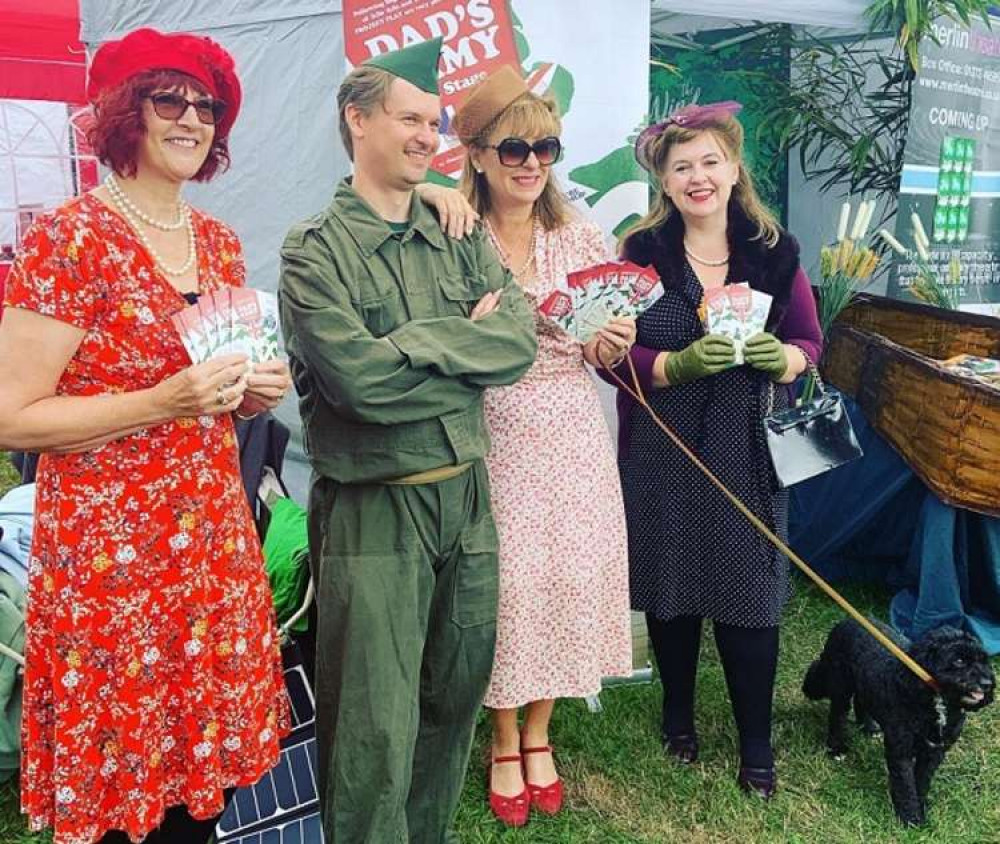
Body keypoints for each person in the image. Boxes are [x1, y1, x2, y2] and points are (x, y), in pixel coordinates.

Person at [0, 28, 292, 844]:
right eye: (170, 99)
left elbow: (215, 387)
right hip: (109, 556)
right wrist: (160, 401)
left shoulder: (218, 241)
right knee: (130, 795)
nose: (193, 119)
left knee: (204, 777)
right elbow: (11, 415)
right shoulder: (70, 239)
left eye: (208, 106)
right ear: (123, 113)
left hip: (207, 540)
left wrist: (246, 395)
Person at [277, 39, 537, 844]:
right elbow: (359, 386)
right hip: (375, 512)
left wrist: (417, 347)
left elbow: (519, 342)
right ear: (357, 121)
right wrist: (461, 343)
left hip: (466, 499)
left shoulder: (456, 231)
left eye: (436, 122)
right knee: (370, 726)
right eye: (410, 118)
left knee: (451, 700)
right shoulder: (313, 251)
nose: (430, 136)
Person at [601, 101, 823, 798]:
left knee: (749, 591)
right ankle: (677, 714)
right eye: (680, 167)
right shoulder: (641, 256)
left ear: (733, 170)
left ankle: (756, 742)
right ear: (664, 183)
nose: (697, 177)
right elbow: (612, 353)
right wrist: (672, 367)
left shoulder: (775, 251)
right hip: (662, 446)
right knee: (670, 587)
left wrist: (783, 357)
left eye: (708, 162)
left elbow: (812, 344)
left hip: (747, 446)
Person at [440, 66, 633, 826]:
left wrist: (610, 342)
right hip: (487, 426)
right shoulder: (452, 233)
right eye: (513, 147)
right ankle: (500, 736)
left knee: (565, 577)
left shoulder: (581, 236)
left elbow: (599, 352)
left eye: (544, 148)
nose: (530, 163)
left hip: (570, 429)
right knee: (507, 587)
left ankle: (541, 730)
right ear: (480, 155)